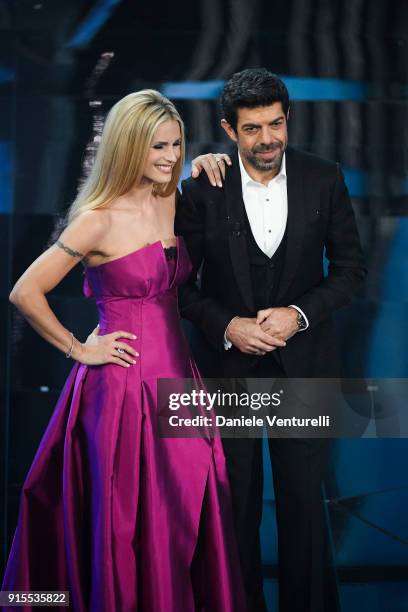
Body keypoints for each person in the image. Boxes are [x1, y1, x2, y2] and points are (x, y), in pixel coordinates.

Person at [2, 90, 246, 612]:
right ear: (127, 147)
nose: (169, 156)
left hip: (180, 385)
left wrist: (203, 162)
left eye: (176, 144)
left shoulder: (172, 199)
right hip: (121, 391)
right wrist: (78, 348)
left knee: (185, 514)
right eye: (157, 146)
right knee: (123, 522)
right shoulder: (97, 218)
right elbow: (24, 291)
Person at [176, 68, 367, 612]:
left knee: (306, 506)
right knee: (234, 507)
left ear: (288, 119)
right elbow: (181, 287)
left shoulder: (323, 177)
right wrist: (227, 326)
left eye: (276, 124)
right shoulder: (201, 188)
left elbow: (351, 270)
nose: (267, 139)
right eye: (253, 128)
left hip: (305, 366)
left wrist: (299, 315)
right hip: (228, 368)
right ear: (229, 130)